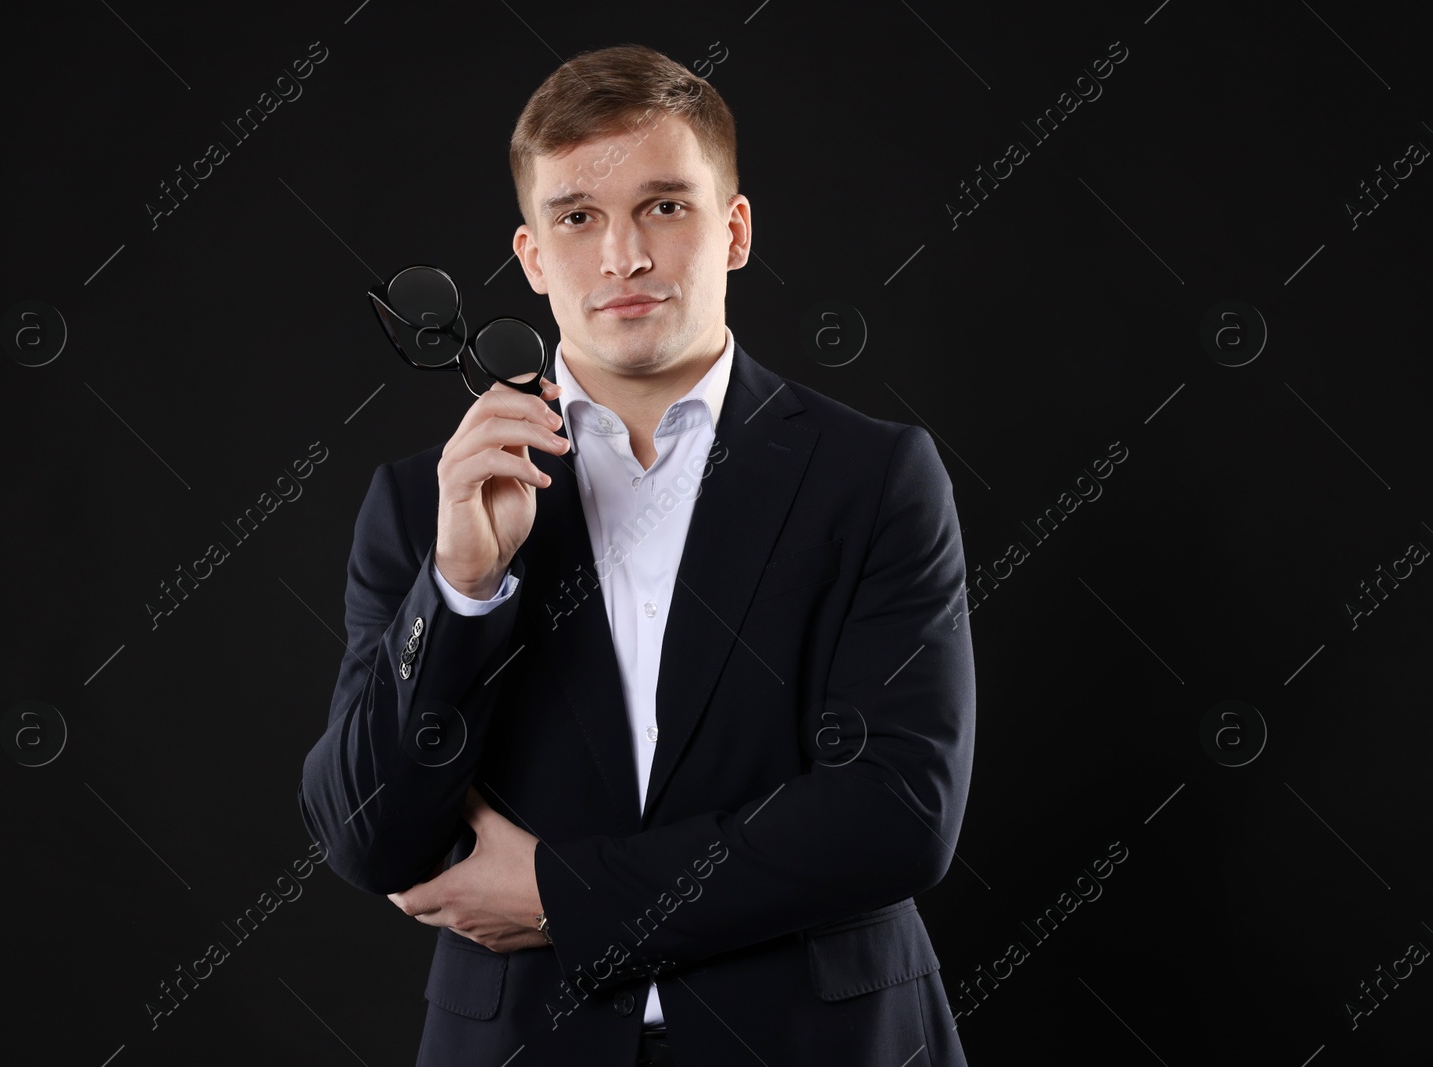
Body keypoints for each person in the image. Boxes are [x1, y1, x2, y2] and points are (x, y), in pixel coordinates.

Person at [297, 43, 975, 1066]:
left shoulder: (875, 475)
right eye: (577, 217)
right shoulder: (423, 500)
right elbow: (367, 835)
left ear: (734, 230)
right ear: (530, 256)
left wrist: (559, 893)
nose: (623, 256)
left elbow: (898, 813)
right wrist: (462, 591)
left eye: (665, 206)